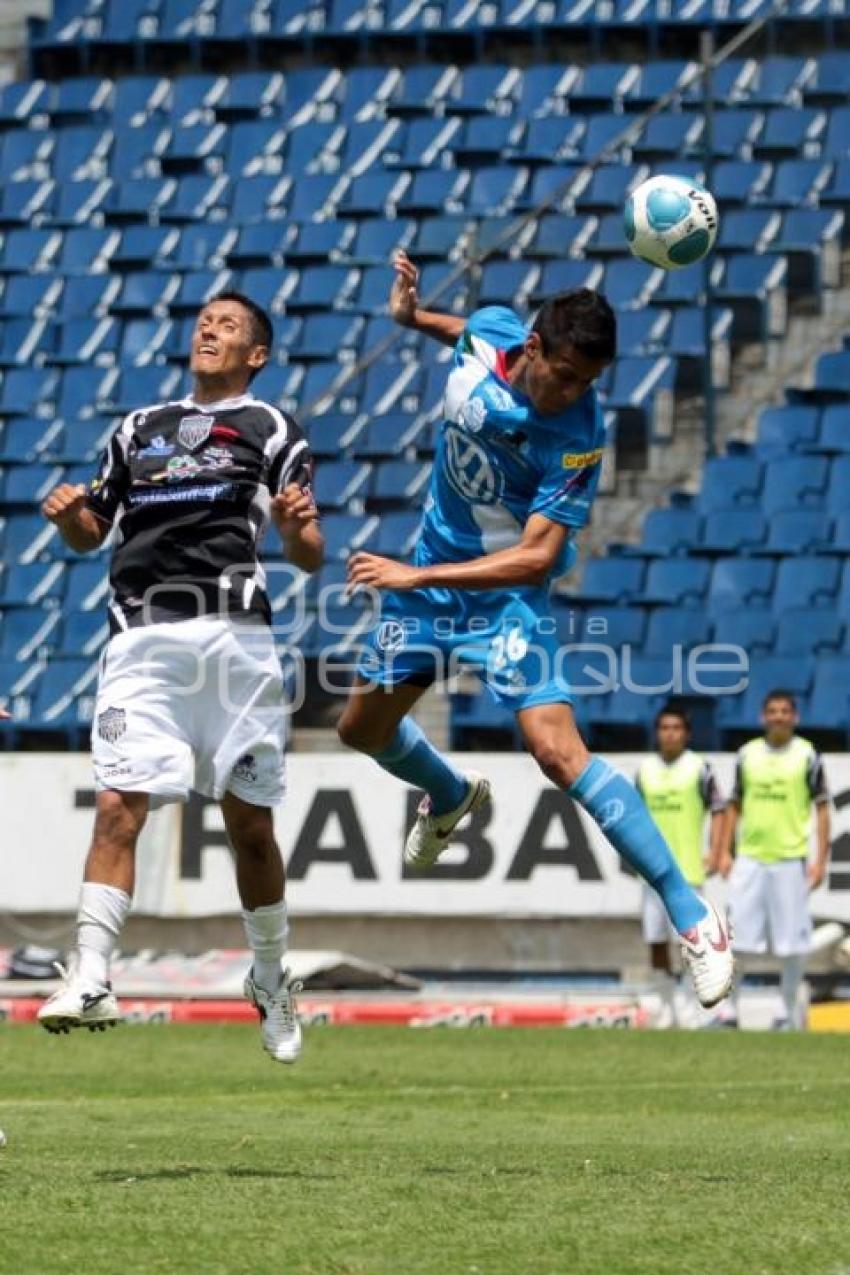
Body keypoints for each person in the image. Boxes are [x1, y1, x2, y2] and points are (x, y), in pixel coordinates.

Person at [337, 250, 733, 1010]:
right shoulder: (492, 334)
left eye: (590, 381)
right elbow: (465, 332)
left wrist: (414, 578)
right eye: (566, 374)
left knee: (556, 750)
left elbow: (534, 559)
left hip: (497, 597)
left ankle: (693, 914)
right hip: (426, 579)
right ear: (533, 349)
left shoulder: (577, 432)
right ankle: (449, 795)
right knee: (361, 728)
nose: (575, 391)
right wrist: (411, 317)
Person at [37, 291, 324, 1063]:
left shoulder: (272, 429)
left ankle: (269, 977)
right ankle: (93, 973)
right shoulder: (138, 428)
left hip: (236, 644)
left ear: (256, 353)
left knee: (250, 828)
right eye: (203, 320)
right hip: (142, 639)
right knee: (116, 808)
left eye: (227, 324)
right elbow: (91, 531)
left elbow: (310, 551)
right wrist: (71, 517)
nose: (207, 328)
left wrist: (298, 528)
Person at [718, 689, 830, 1030]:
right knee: (735, 939)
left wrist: (820, 859)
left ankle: (786, 1012)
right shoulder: (747, 754)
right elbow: (734, 805)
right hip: (750, 860)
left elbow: (823, 809)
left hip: (790, 860)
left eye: (785, 711)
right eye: (772, 711)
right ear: (762, 717)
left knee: (792, 942)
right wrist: (724, 850)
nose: (778, 716)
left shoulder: (807, 755)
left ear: (795, 717)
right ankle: (729, 1013)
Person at [637, 704, 725, 1023]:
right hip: (650, 872)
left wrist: (716, 851)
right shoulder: (645, 770)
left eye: (676, 728)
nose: (670, 733)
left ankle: (691, 1006)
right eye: (664, 728)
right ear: (657, 732)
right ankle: (665, 1005)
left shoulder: (699, 768)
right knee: (656, 940)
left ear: (686, 733)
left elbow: (719, 808)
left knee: (691, 943)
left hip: (687, 871)